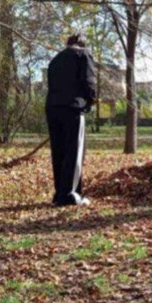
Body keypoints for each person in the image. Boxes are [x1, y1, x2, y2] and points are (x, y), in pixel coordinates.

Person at [45, 33, 98, 207]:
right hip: (73, 108)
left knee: (59, 152)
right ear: (82, 44)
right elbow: (89, 81)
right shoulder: (83, 54)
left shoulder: (55, 60)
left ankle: (60, 193)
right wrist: (91, 100)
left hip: (53, 108)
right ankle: (70, 195)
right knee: (74, 151)